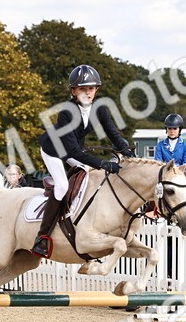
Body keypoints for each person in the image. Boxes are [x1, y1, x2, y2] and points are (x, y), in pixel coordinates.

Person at [31, 64, 134, 257]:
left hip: (73, 149)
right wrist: (102, 163)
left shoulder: (100, 109)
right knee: (61, 186)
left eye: (91, 88)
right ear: (73, 91)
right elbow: (74, 152)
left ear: (96, 90)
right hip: (54, 150)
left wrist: (127, 152)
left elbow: (113, 133)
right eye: (82, 89)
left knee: (90, 176)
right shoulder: (67, 112)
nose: (87, 92)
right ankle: (42, 237)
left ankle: (81, 221)